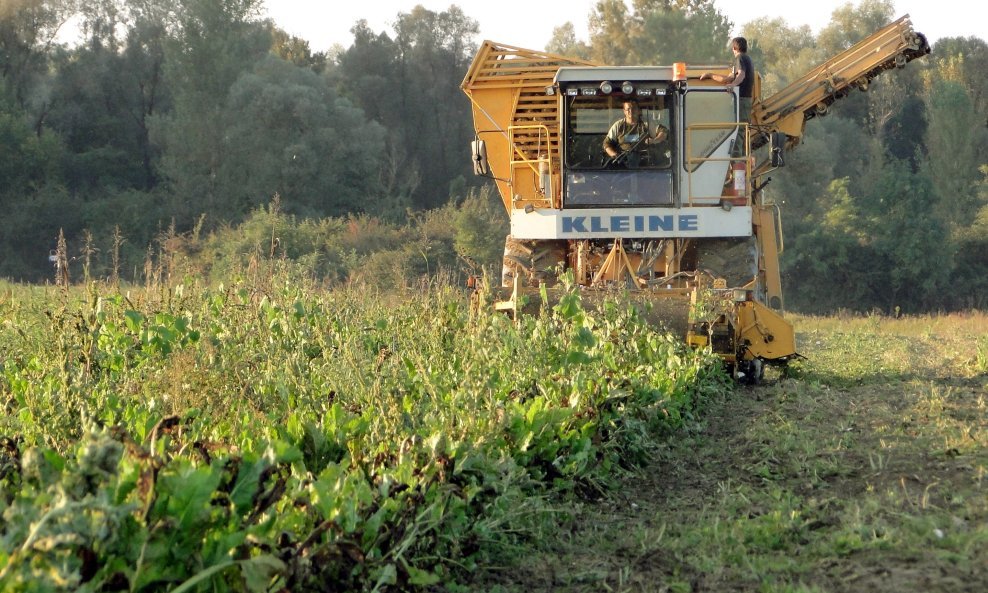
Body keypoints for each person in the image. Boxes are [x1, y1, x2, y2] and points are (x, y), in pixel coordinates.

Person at [700, 36, 754, 123]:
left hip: (741, 100)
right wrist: (710, 75)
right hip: (744, 100)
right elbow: (729, 78)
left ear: (734, 48)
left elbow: (741, 74)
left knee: (739, 129)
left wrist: (732, 85)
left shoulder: (740, 58)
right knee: (739, 128)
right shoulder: (747, 59)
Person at [602, 99, 669, 166]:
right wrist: (615, 155)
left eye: (633, 108)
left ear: (639, 110)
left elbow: (663, 131)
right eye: (628, 109)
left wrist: (654, 140)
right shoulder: (618, 125)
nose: (631, 111)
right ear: (624, 111)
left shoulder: (646, 123)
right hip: (623, 163)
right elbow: (607, 143)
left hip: (644, 163)